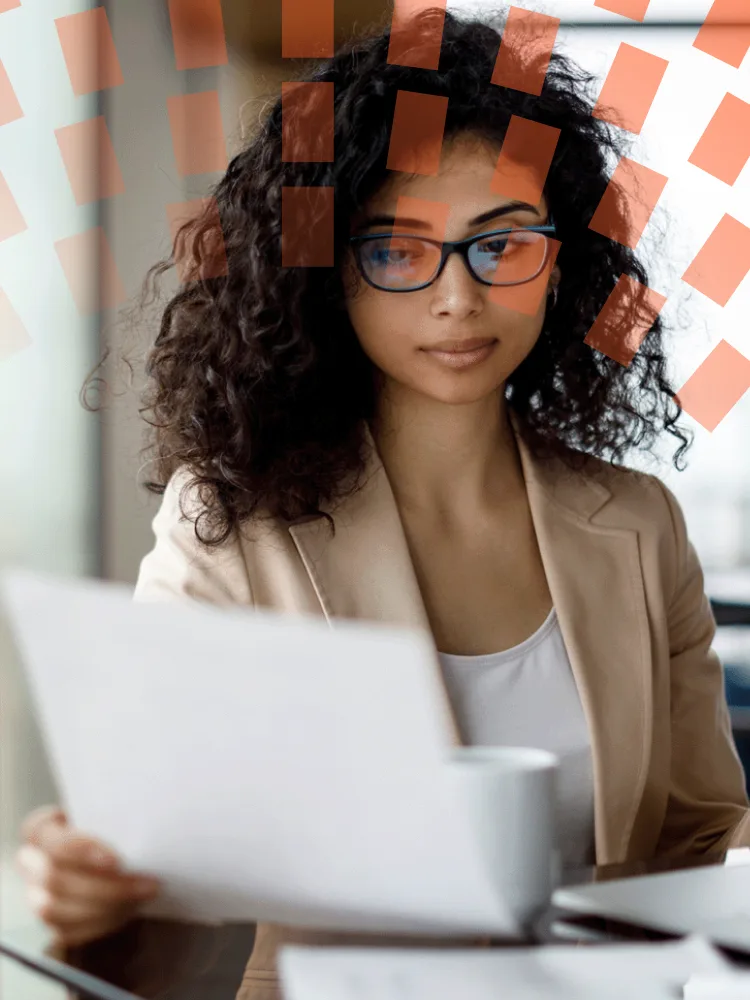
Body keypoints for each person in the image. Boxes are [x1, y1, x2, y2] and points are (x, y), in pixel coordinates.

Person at [15, 7, 750, 1000]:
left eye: (502, 245)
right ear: (325, 272)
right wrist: (103, 891)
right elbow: (172, 901)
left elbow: (703, 832)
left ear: (561, 258)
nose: (457, 298)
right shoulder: (229, 528)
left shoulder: (638, 524)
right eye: (397, 252)